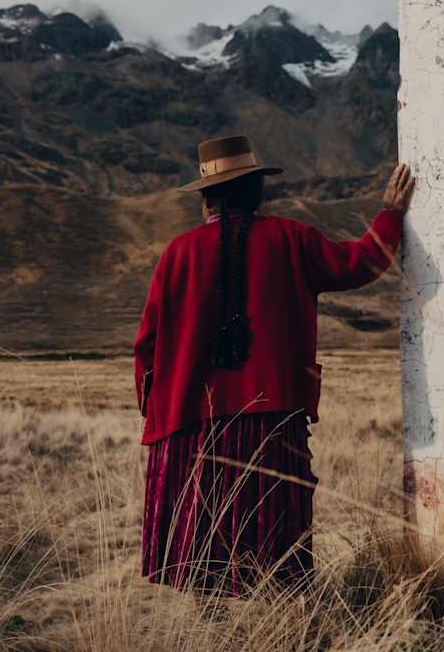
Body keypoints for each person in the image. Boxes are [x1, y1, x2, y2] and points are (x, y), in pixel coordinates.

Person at [134, 134, 416, 598]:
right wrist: (390, 215)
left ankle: (213, 621)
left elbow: (146, 345)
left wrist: (158, 408)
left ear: (206, 199)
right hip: (271, 416)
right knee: (274, 542)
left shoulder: (176, 254)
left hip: (191, 418)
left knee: (202, 542)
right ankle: (276, 618)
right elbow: (359, 265)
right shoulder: (291, 239)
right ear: (256, 191)